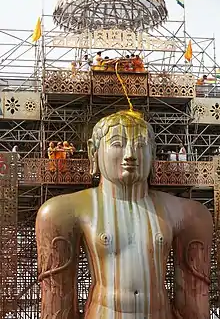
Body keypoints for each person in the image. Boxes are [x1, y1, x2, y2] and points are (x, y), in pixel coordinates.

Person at [36, 110, 212, 319]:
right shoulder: (63, 211)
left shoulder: (188, 214)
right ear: (94, 152)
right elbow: (57, 302)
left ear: (153, 153)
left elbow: (194, 299)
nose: (130, 154)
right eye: (117, 144)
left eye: (140, 145)